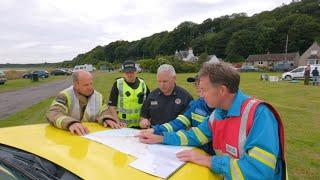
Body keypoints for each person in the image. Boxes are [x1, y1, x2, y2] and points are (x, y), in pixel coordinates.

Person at [137, 62, 286, 179]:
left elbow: (259, 172)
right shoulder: (218, 114)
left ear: (221, 90)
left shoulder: (259, 115)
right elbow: (194, 136)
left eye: (204, 90)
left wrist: (209, 161)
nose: (201, 96)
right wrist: (161, 137)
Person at [141, 75, 215, 154]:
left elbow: (196, 136)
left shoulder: (222, 114)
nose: (200, 94)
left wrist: (162, 138)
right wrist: (155, 130)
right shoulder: (197, 104)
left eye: (203, 89)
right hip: (198, 153)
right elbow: (179, 123)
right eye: (198, 88)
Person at [46, 70, 122, 136]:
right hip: (70, 136)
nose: (90, 87)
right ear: (76, 85)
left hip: (91, 136)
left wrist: (107, 118)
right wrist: (70, 123)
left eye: (91, 83)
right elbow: (53, 113)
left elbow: (104, 111)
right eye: (86, 85)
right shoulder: (64, 95)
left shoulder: (98, 96)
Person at [140, 64, 193, 129]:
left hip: (176, 137)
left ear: (174, 78)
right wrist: (144, 121)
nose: (161, 85)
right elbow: (144, 115)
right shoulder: (152, 95)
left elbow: (191, 123)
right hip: (154, 135)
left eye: (165, 81)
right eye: (159, 81)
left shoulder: (185, 97)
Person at [107, 60, 150, 128]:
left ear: (136, 71)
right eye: (127, 72)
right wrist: (117, 121)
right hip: (123, 126)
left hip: (140, 125)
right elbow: (112, 106)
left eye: (132, 72)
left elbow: (148, 104)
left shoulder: (143, 84)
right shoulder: (118, 84)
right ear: (123, 72)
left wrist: (146, 120)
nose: (129, 74)